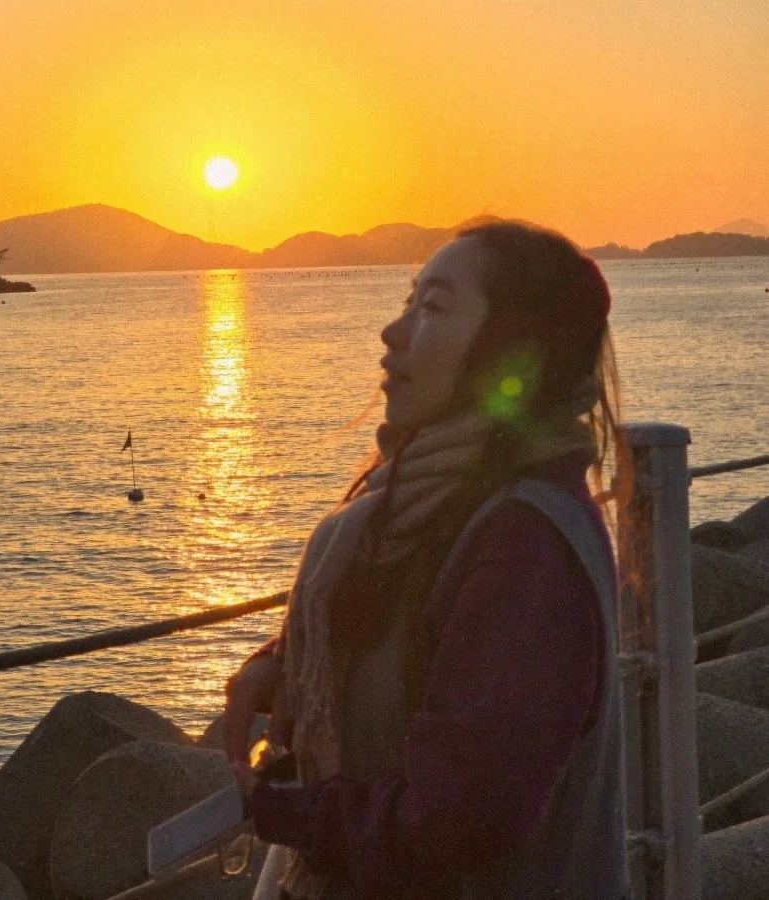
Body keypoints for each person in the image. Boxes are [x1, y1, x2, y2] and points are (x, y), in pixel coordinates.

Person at [223, 220, 629, 899]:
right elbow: (412, 635)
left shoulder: (527, 546)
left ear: (510, 350)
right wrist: (284, 663)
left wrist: (278, 809)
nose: (393, 332)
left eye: (434, 307)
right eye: (409, 301)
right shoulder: (441, 500)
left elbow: (458, 823)